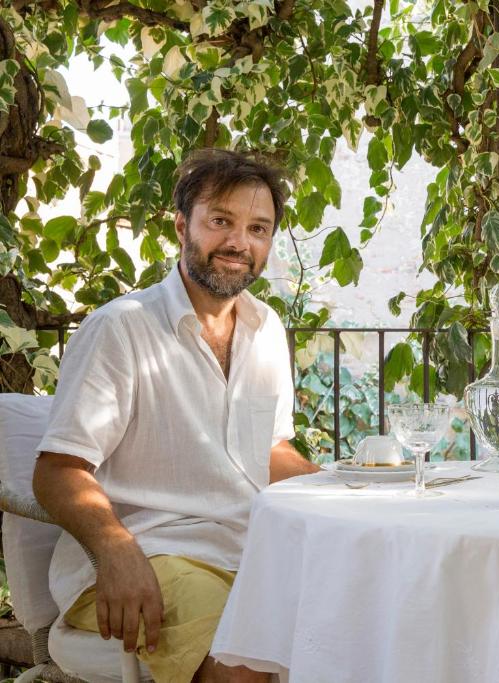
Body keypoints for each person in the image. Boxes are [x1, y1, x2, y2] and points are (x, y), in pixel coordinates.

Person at [32, 149, 320, 683]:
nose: (240, 242)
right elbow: (58, 471)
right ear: (182, 226)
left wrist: (350, 490)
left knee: (363, 627)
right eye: (221, 221)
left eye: (259, 228)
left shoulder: (267, 330)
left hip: (248, 550)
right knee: (243, 664)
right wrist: (117, 550)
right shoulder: (122, 328)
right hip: (149, 552)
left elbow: (268, 452)